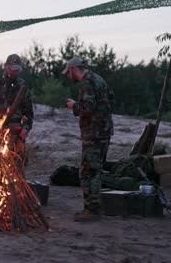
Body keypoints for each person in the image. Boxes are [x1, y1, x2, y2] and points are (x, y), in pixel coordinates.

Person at [63, 56, 114, 222]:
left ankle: (91, 210)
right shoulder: (98, 79)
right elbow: (110, 99)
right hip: (104, 131)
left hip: (93, 134)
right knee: (96, 170)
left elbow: (87, 109)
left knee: (88, 171)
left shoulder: (86, 83)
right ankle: (95, 208)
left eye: (68, 72)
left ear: (73, 69)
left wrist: (73, 106)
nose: (68, 76)